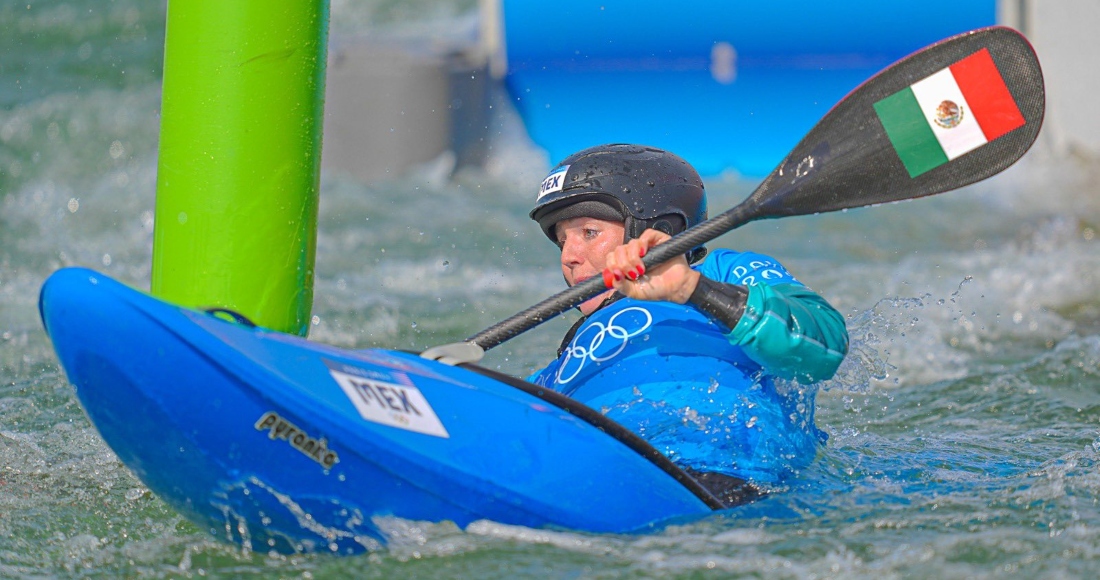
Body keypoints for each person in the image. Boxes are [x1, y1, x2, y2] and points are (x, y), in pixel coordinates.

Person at [527, 144, 849, 504]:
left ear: (658, 228)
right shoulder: (566, 361)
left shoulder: (722, 274)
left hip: (730, 484)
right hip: (603, 484)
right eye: (561, 241)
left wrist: (691, 289)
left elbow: (825, 345)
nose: (569, 257)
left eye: (588, 232)